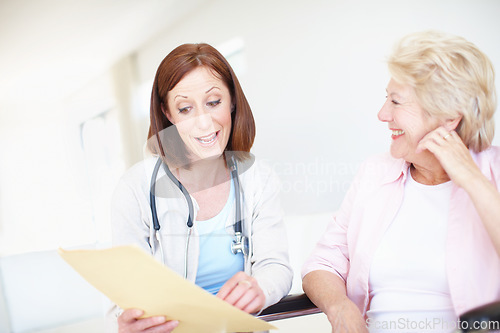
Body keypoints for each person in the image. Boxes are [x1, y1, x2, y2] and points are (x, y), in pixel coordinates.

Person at [302, 30, 500, 333]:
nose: (383, 114)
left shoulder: (493, 171)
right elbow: (322, 263)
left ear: (448, 117)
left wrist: (471, 179)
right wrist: (340, 307)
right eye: (386, 98)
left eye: (396, 102)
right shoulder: (375, 172)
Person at [109, 43, 292, 332]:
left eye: (213, 102)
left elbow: (276, 267)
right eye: (185, 108)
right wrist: (128, 322)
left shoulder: (259, 179)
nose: (204, 121)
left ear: (232, 100)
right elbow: (122, 294)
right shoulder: (136, 187)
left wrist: (262, 289)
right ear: (167, 114)